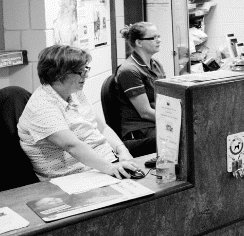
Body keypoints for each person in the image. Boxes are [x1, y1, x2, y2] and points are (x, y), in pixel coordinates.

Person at [18, 45, 140, 180]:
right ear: (59, 74)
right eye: (80, 72)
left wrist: (122, 150)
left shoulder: (75, 92)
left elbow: (102, 128)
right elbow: (72, 146)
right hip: (75, 176)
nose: (86, 75)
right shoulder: (42, 106)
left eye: (86, 69)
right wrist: (111, 168)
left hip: (104, 163)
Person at [116, 22, 165, 147]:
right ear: (139, 43)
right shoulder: (129, 70)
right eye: (153, 38)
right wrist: (173, 120)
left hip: (154, 122)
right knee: (180, 139)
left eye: (158, 36)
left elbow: (163, 96)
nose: (158, 40)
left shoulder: (156, 64)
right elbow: (145, 112)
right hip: (141, 129)